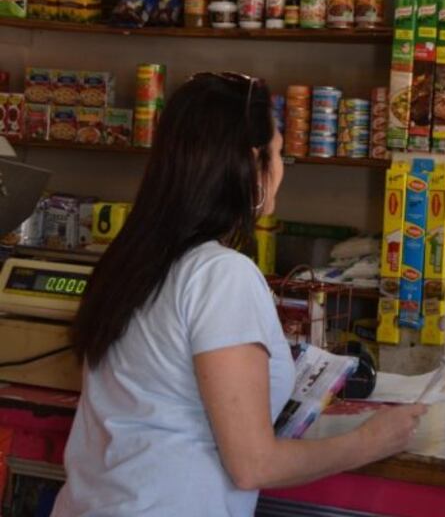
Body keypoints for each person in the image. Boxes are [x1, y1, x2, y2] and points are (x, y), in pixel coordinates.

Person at [53, 73, 426, 517]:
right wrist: (370, 441)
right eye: (280, 153)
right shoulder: (221, 274)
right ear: (253, 161)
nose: (283, 169)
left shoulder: (129, 260)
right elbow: (253, 464)